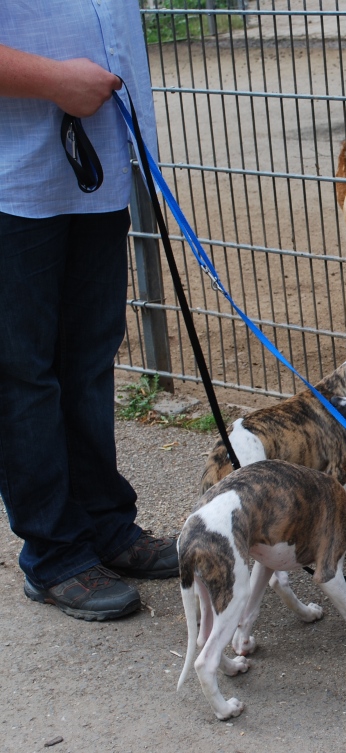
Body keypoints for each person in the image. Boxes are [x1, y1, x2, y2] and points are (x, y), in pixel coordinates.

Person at [0, 1, 177, 621]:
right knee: (23, 372)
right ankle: (54, 554)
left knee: (88, 360)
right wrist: (53, 81)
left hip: (94, 172)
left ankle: (106, 527)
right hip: (11, 180)